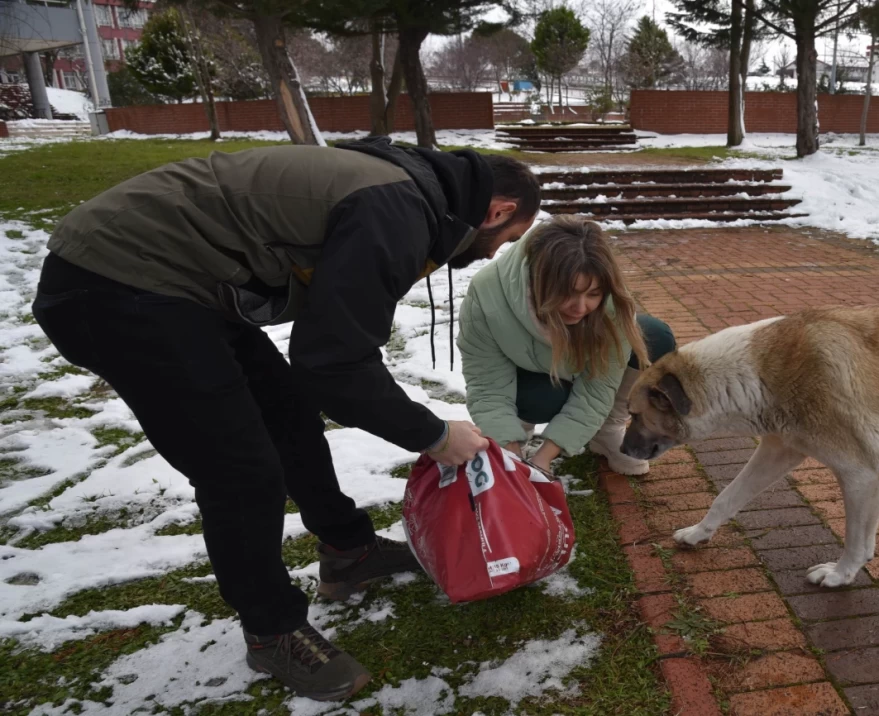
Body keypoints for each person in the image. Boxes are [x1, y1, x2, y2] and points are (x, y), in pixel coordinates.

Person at [31, 137, 540, 701]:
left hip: (180, 283)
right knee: (240, 469)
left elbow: (323, 356)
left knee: (290, 413)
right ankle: (271, 630)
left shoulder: (405, 189)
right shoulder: (396, 210)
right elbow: (335, 362)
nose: (495, 255)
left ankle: (349, 552)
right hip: (113, 284)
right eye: (508, 240)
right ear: (498, 212)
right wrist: (435, 435)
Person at [457, 214, 675, 477]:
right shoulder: (486, 293)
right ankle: (517, 433)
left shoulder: (610, 302)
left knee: (654, 336)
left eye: (593, 294)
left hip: (575, 372)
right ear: (540, 282)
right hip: (529, 379)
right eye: (568, 293)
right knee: (540, 399)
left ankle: (606, 430)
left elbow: (597, 389)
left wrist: (543, 460)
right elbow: (488, 388)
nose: (581, 308)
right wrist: (510, 453)